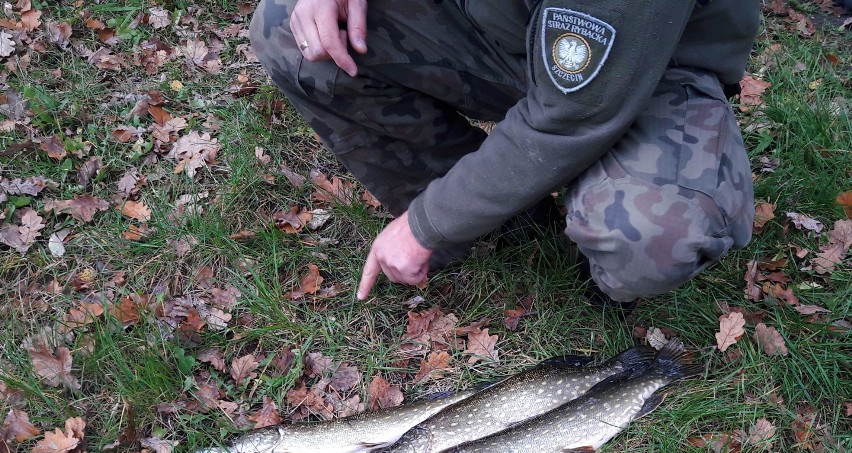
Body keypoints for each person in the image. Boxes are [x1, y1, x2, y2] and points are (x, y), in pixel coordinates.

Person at [249, 0, 760, 305]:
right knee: (293, 32)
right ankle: (504, 221)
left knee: (649, 236)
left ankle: (584, 251)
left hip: (648, 69)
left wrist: (428, 221)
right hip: (503, 28)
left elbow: (568, 117)